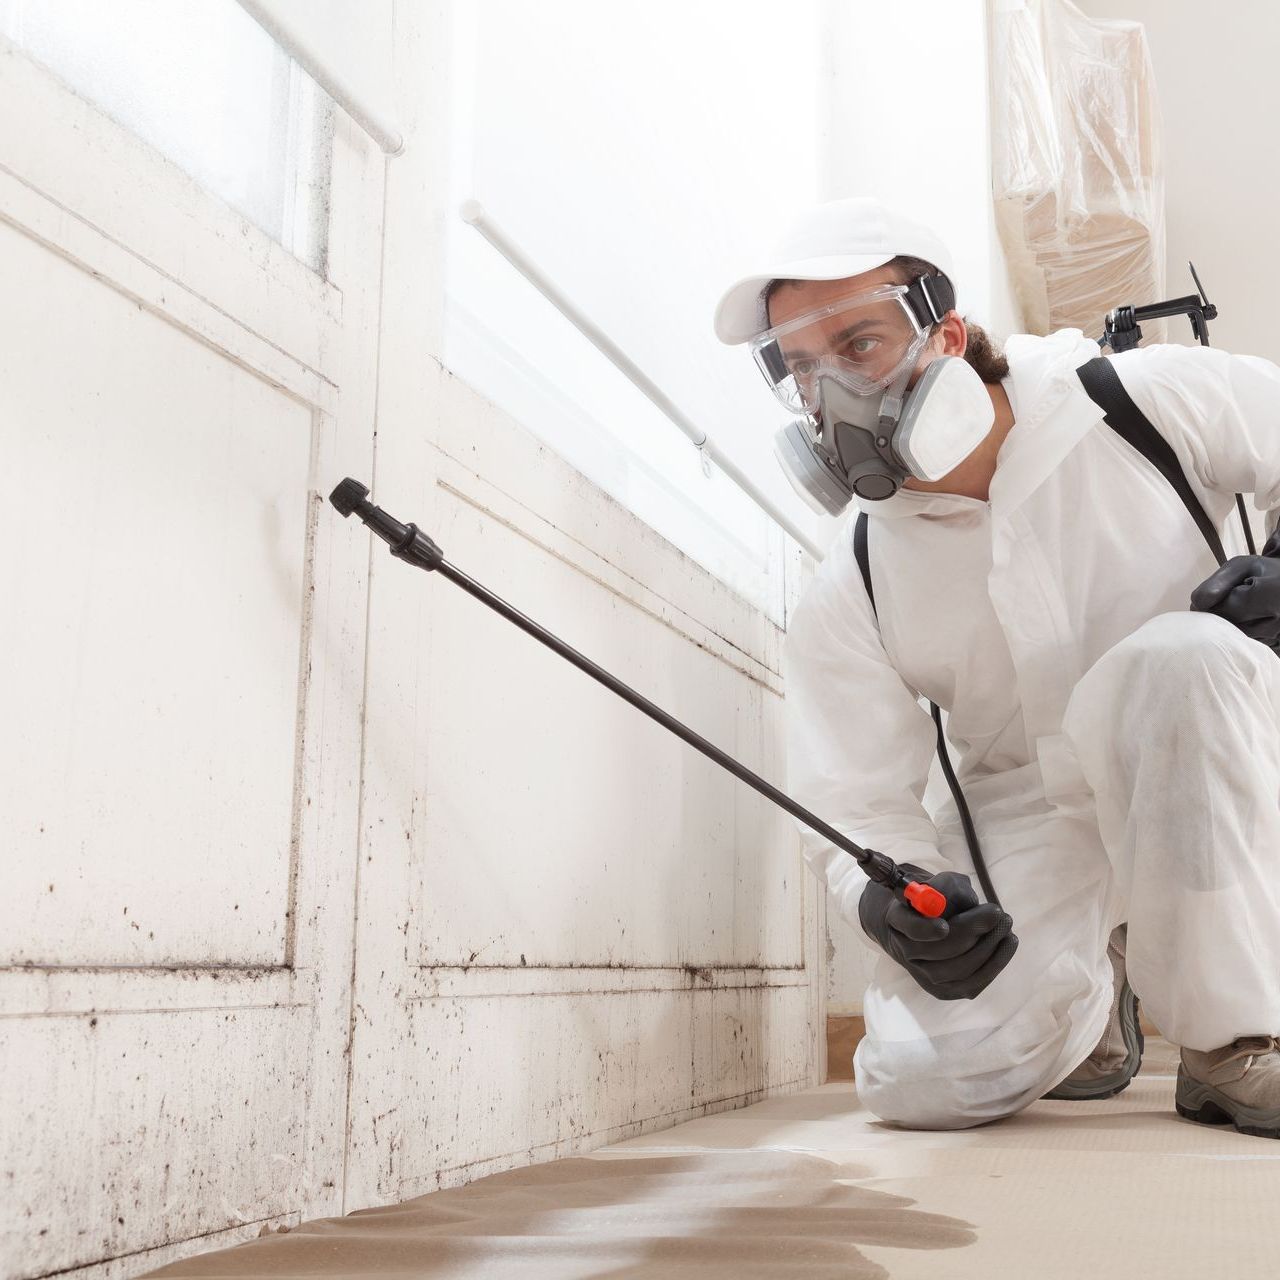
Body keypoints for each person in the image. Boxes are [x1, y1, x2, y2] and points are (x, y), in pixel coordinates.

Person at [713, 196, 1280, 1136]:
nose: (834, 392)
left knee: (1178, 659)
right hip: (1030, 804)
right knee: (921, 1082)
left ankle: (1232, 1040)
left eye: (859, 345)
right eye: (803, 369)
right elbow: (856, 795)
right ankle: (1099, 980)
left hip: (1214, 761)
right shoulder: (855, 572)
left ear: (947, 334)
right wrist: (890, 899)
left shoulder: (1136, 399)